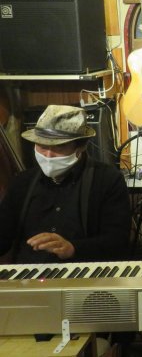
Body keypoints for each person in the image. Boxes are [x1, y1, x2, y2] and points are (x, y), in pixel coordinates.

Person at [0, 104, 130, 264]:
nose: (48, 155)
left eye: (59, 147)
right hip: (29, 273)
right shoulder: (23, 182)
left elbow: (117, 242)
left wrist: (73, 248)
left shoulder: (107, 180)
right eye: (42, 146)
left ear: (81, 146)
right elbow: (3, 237)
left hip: (85, 272)